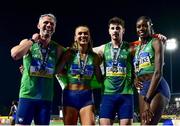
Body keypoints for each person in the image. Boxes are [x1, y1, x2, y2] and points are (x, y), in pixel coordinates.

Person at [10, 13, 65, 125]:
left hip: (46, 98)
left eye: (52, 24)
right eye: (45, 22)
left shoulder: (58, 48)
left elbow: (57, 71)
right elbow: (15, 54)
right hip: (27, 95)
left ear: (54, 28)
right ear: (38, 26)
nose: (49, 25)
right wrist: (32, 41)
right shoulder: (27, 42)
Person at [56, 25, 102, 125]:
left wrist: (99, 65)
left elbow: (99, 79)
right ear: (75, 37)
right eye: (80, 33)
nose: (83, 35)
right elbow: (56, 70)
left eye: (86, 33)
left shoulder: (94, 57)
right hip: (69, 95)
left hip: (87, 96)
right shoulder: (68, 53)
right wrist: (64, 59)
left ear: (89, 37)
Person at [93, 17, 134, 125]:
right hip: (108, 95)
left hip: (126, 94)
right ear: (109, 31)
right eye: (112, 28)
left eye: (118, 28)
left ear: (123, 30)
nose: (115, 30)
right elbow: (84, 50)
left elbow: (145, 43)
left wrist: (157, 36)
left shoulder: (131, 48)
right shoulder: (102, 48)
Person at [133, 16, 170, 125]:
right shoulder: (137, 48)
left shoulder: (156, 42)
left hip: (157, 87)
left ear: (150, 26)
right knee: (143, 123)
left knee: (147, 124)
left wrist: (147, 100)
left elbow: (158, 73)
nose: (141, 28)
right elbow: (137, 68)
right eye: (138, 26)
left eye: (144, 25)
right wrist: (136, 78)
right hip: (143, 87)